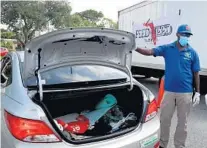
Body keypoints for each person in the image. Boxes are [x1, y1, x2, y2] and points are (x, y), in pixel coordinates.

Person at [135, 24, 201, 148]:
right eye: (184, 34)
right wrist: (135, 47)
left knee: (183, 123)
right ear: (177, 34)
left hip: (185, 92)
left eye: (188, 35)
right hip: (169, 92)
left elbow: (196, 72)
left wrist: (197, 92)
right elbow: (149, 51)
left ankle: (179, 145)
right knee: (164, 120)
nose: (186, 37)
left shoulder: (192, 53)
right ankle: (163, 144)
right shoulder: (168, 48)